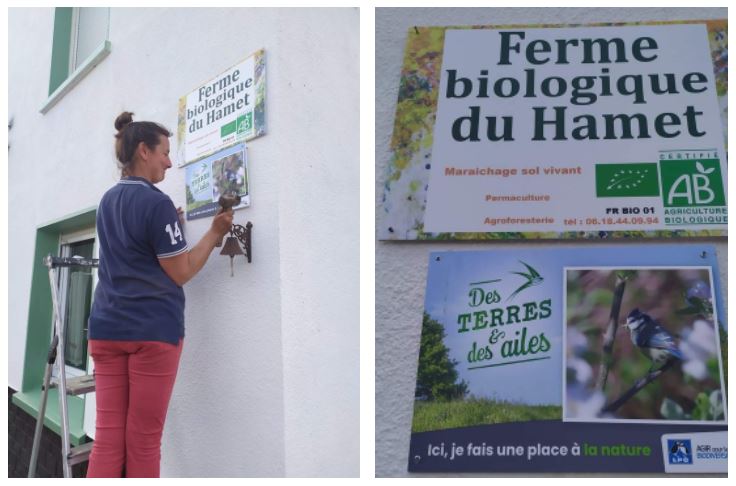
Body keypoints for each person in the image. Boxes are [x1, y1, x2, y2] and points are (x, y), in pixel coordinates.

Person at [86, 112, 233, 477]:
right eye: (165, 152)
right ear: (143, 151)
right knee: (143, 441)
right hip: (151, 333)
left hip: (105, 330)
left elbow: (134, 250)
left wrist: (172, 227)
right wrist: (215, 231)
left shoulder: (107, 201)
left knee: (107, 441)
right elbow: (181, 271)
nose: (170, 161)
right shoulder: (156, 203)